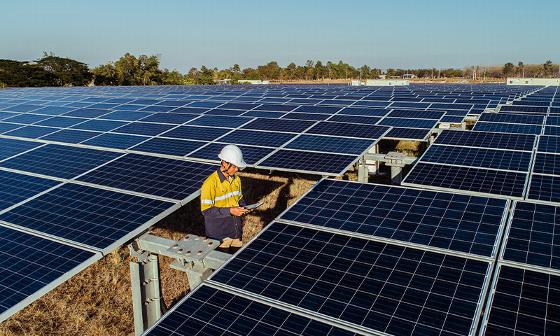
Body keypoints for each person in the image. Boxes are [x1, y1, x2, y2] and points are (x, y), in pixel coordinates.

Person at [200, 144, 248, 254]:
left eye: (238, 167)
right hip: (219, 238)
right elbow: (206, 211)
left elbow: (240, 199)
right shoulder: (210, 184)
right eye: (234, 166)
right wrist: (230, 211)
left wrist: (244, 207)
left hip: (236, 234)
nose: (237, 169)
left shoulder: (237, 180)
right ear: (224, 163)